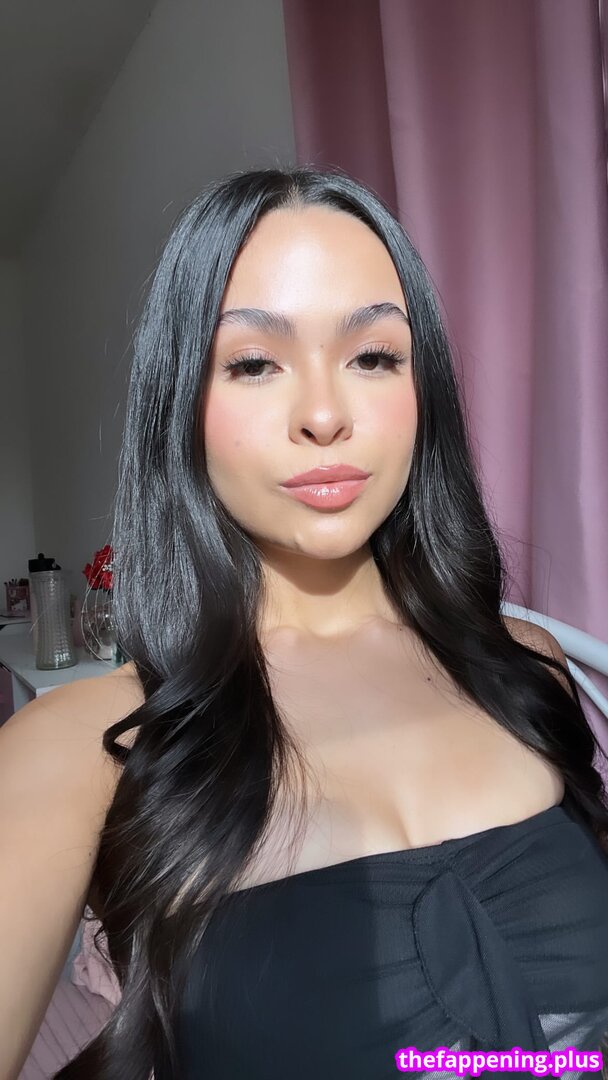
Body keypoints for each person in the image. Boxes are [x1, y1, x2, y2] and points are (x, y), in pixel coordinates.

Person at [1, 165, 607, 1080]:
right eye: (253, 363)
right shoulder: (78, 748)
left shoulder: (527, 665)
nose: (325, 415)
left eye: (374, 357)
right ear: (182, 402)